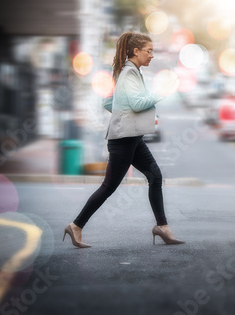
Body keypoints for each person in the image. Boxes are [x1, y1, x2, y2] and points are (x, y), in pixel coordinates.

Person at [63, 31, 184, 248]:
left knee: (154, 176)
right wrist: (160, 91)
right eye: (149, 51)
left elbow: (109, 104)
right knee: (109, 186)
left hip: (132, 138)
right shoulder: (128, 73)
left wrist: (126, 114)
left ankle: (162, 226)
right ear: (136, 51)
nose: (152, 55)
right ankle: (76, 225)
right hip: (124, 140)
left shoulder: (127, 72)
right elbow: (137, 104)